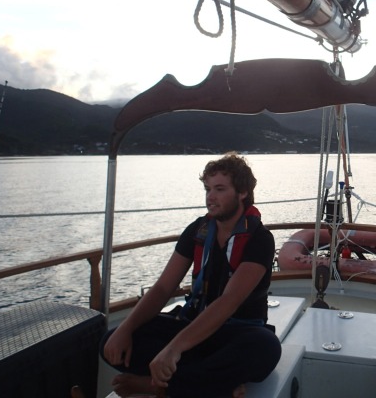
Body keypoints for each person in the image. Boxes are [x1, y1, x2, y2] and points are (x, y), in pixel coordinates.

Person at [101, 152, 282, 398]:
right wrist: (126, 327)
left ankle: (156, 386)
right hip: (193, 327)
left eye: (219, 189)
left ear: (242, 193)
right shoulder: (197, 231)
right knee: (111, 340)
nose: (210, 197)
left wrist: (174, 348)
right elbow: (163, 288)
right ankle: (210, 384)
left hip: (235, 333)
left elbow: (229, 301)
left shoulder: (260, 239)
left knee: (265, 348)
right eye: (208, 189)